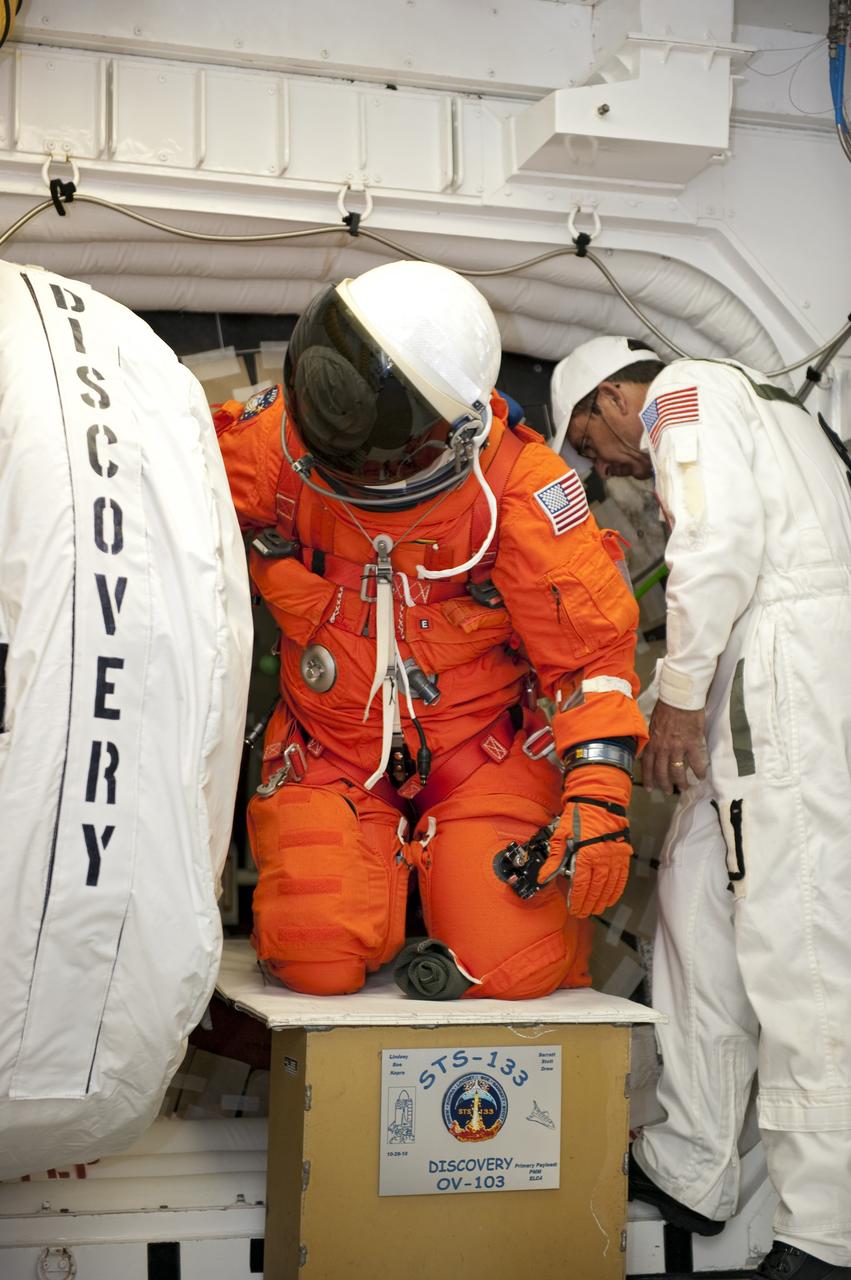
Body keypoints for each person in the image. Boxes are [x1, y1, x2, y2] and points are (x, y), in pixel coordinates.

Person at [214, 261, 646, 1002]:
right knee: (315, 964)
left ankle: (437, 889)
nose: (347, 440)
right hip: (330, 745)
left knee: (511, 971)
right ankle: (365, 892)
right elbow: (159, 502)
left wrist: (598, 792)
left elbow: (590, 652)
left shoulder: (518, 488)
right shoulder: (272, 448)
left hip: (478, 746)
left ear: (457, 424)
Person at [551, 335, 851, 1279]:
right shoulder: (768, 411)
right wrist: (640, 717)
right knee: (690, 893)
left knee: (796, 939)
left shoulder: (682, 392)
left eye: (589, 443)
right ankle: (694, 1160)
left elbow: (716, 552)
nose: (602, 466)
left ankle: (825, 1230)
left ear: (608, 396)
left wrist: (675, 701)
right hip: (757, 656)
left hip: (783, 671)